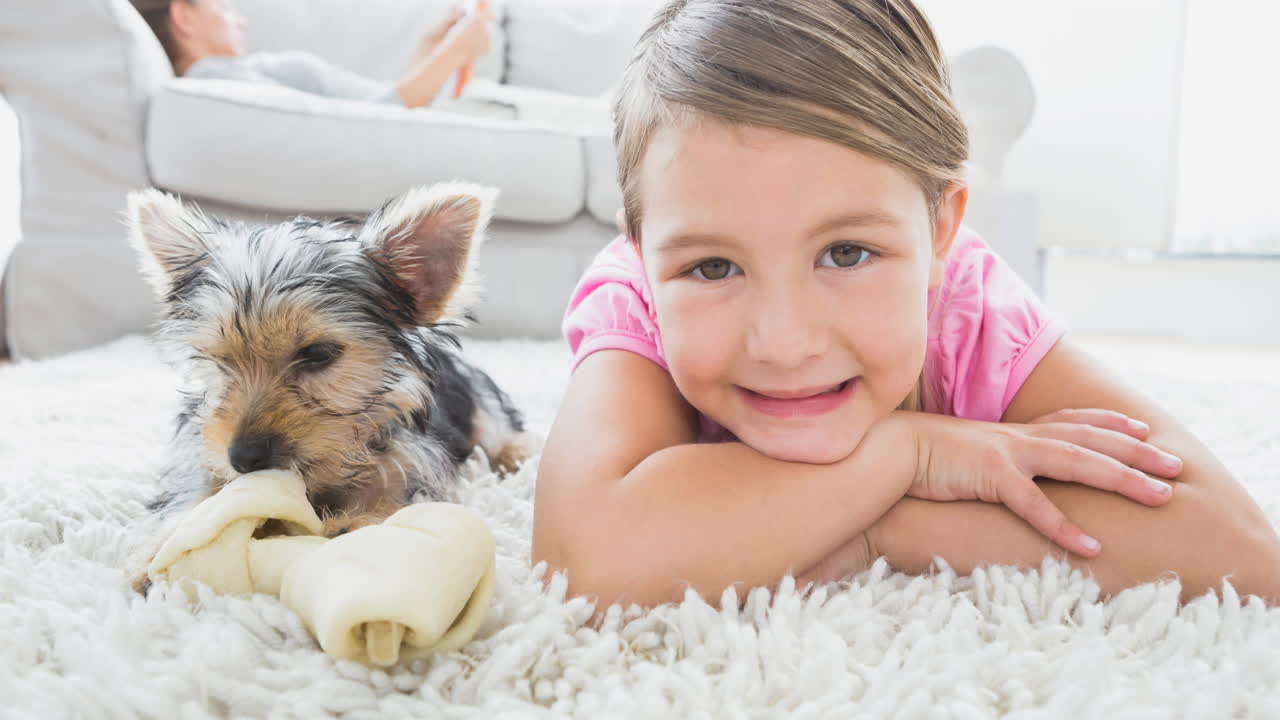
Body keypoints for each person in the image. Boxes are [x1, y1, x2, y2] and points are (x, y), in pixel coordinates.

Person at [532, 0, 1280, 617]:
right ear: (641, 251)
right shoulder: (639, 300)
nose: (785, 343)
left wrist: (883, 524)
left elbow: (1243, 553)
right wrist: (911, 454)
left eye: (847, 254)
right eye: (714, 267)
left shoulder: (967, 310)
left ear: (940, 231)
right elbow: (583, 564)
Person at [130, 0, 514, 115]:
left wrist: (430, 51)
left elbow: (385, 105)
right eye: (222, 8)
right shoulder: (216, 82)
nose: (239, 19)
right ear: (183, 16)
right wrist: (457, 51)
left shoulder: (231, 76)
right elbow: (378, 116)